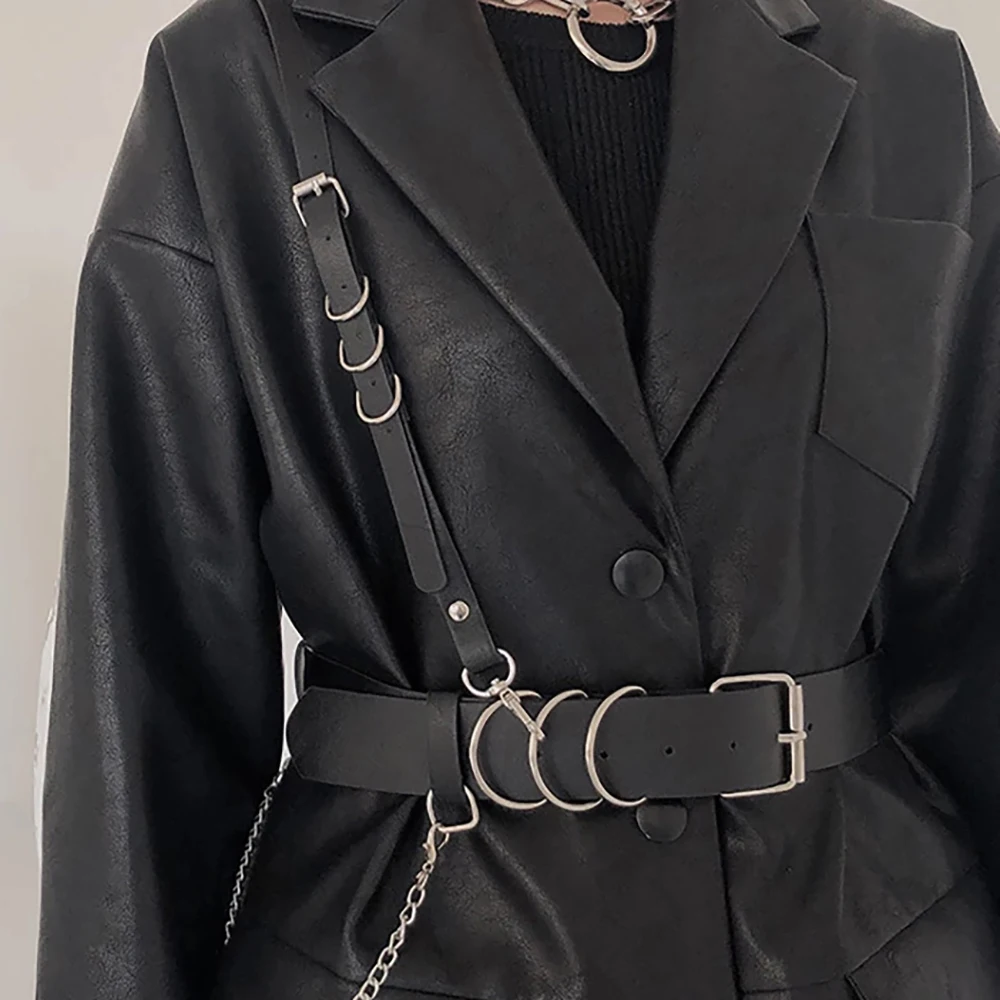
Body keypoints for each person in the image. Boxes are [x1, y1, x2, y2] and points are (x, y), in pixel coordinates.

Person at [35, 0, 1000, 998]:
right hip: (411, 948)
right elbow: (146, 694)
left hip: (864, 944)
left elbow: (978, 618)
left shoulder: (907, 83)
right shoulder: (232, 80)